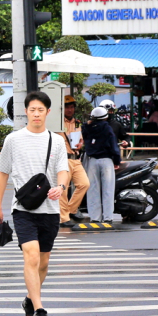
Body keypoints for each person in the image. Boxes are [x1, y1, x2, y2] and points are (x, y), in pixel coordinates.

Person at [0, 91, 70, 316]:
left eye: (41, 110)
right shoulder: (13, 140)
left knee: (43, 263)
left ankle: (29, 298)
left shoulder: (56, 140)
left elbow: (63, 170)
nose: (36, 114)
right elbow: (3, 173)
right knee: (32, 256)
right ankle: (39, 309)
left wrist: (60, 187)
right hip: (23, 209)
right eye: (32, 110)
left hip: (50, 210)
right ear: (26, 111)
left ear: (48, 112)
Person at [83, 105, 122, 224]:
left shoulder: (86, 128)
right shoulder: (107, 128)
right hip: (106, 160)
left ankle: (95, 217)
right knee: (108, 190)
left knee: (92, 190)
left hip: (92, 160)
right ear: (105, 117)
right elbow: (113, 146)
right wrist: (117, 161)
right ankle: (108, 217)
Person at [59, 95, 90, 227]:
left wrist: (80, 144)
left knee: (84, 184)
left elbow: (80, 139)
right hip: (63, 159)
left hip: (75, 159)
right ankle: (63, 218)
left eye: (72, 107)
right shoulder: (58, 123)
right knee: (63, 189)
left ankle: (71, 210)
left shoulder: (77, 123)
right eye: (67, 107)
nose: (70, 110)